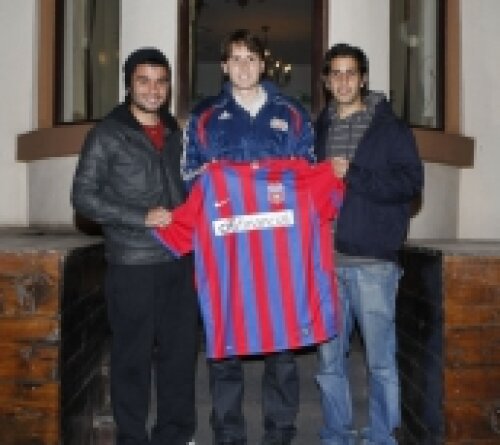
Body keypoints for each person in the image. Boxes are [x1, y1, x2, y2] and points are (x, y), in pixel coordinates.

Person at [182, 29, 315, 445]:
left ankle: (280, 432)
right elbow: (188, 177)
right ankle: (228, 434)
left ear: (263, 64)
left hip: (279, 253)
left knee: (282, 345)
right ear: (224, 66)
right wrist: (205, 178)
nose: (243, 67)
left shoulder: (293, 114)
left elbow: (308, 178)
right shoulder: (204, 116)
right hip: (227, 251)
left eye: (251, 58)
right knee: (224, 341)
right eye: (235, 58)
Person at [71, 47, 198, 445]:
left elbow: (187, 188)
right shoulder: (107, 134)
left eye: (161, 82)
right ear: (128, 84)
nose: (153, 89)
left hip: (179, 259)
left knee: (180, 357)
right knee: (131, 360)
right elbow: (83, 197)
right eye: (144, 81)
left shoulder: (176, 133)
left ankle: (174, 435)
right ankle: (131, 438)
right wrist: (139, 216)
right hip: (132, 262)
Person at [314, 43, 423, 445]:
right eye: (336, 73)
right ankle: (336, 434)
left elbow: (411, 184)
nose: (343, 81)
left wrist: (354, 174)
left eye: (350, 73)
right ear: (326, 81)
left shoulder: (389, 128)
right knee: (329, 362)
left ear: (362, 79)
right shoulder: (319, 127)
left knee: (380, 362)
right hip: (326, 263)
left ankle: (381, 437)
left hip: (372, 263)